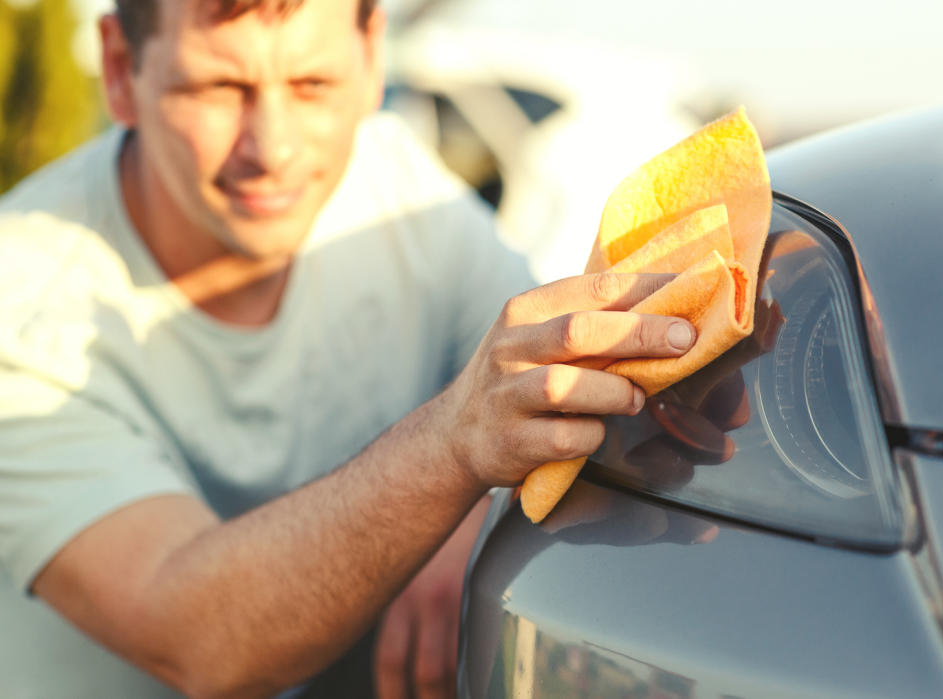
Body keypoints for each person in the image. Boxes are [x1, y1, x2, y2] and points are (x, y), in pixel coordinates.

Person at [0, 0, 698, 696]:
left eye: (313, 87)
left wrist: (475, 516)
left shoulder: (396, 185)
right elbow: (202, 640)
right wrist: (451, 455)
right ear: (121, 70)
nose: (271, 148)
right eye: (218, 89)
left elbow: (551, 390)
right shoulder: (20, 294)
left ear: (369, 57)